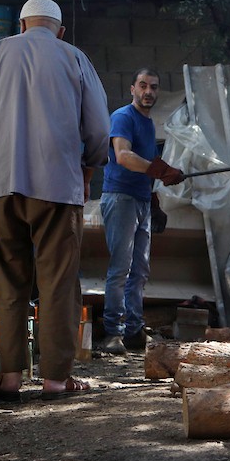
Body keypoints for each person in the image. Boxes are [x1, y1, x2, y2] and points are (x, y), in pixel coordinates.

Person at [0, 0, 110, 402]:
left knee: (8, 283)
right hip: (57, 189)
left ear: (21, 26)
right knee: (57, 283)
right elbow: (98, 126)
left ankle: (9, 378)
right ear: (59, 30)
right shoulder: (73, 57)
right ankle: (55, 380)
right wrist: (89, 167)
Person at [98, 67, 184, 354]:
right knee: (121, 268)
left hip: (141, 200)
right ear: (132, 89)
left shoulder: (148, 124)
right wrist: (160, 170)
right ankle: (112, 333)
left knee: (140, 270)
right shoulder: (123, 117)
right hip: (121, 198)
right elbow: (123, 156)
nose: (149, 92)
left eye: (154, 87)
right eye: (143, 86)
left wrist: (154, 197)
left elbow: (147, 164)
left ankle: (134, 331)